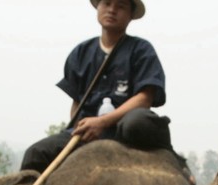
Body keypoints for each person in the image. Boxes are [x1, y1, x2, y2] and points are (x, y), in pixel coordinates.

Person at [20, 0, 175, 172]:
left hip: (124, 131)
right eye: (107, 3)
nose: (112, 10)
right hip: (89, 133)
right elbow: (77, 103)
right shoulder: (81, 52)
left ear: (131, 15)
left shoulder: (141, 50)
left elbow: (145, 98)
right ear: (98, 7)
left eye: (121, 6)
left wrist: (102, 122)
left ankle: (176, 163)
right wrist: (82, 129)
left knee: (137, 121)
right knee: (36, 153)